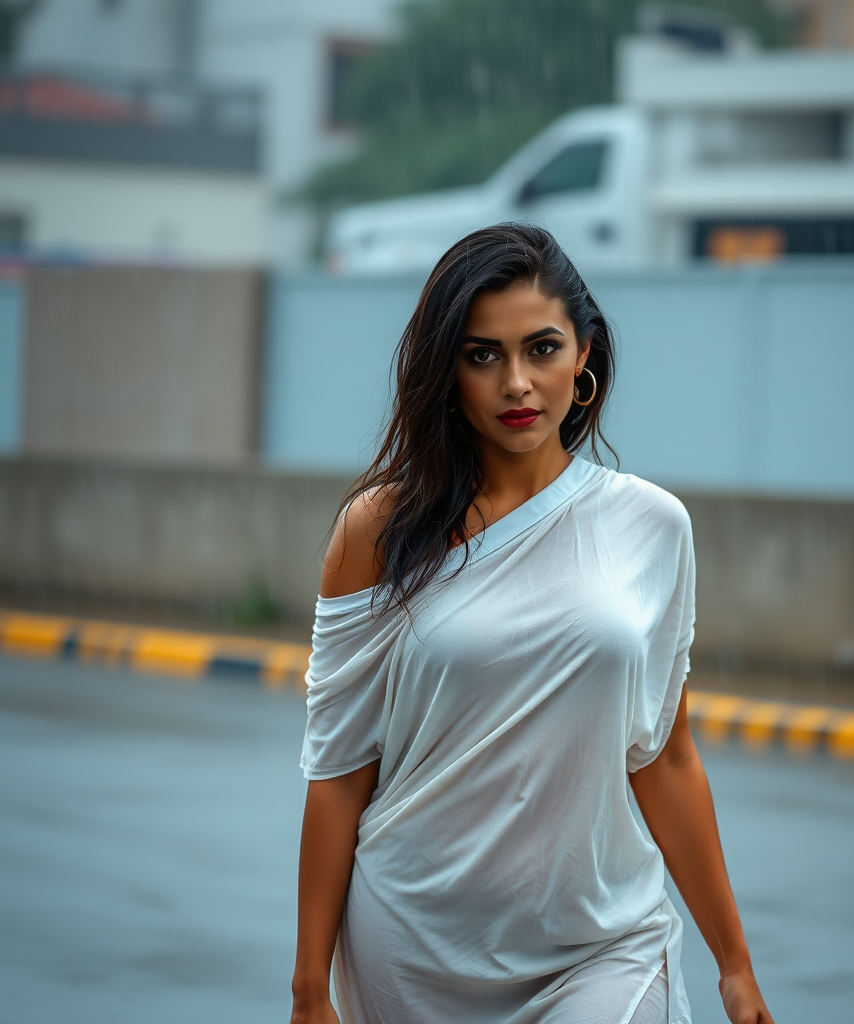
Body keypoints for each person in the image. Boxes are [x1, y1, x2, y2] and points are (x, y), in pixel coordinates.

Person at [290, 224, 774, 1024]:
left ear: (583, 353)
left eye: (541, 349)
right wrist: (310, 990)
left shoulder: (654, 528)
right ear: (448, 369)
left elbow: (664, 756)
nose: (517, 382)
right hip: (414, 948)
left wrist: (735, 962)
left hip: (601, 944)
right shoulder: (376, 532)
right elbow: (339, 769)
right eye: (483, 355)